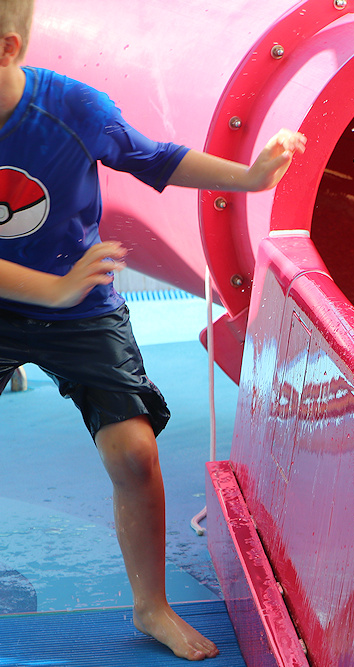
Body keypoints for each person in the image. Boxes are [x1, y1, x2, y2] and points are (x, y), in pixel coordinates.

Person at [0, 0, 306, 660]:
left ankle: (150, 607)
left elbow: (156, 158)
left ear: (5, 49)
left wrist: (250, 179)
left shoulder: (73, 111)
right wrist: (53, 285)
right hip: (48, 288)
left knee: (134, 453)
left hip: (79, 308)